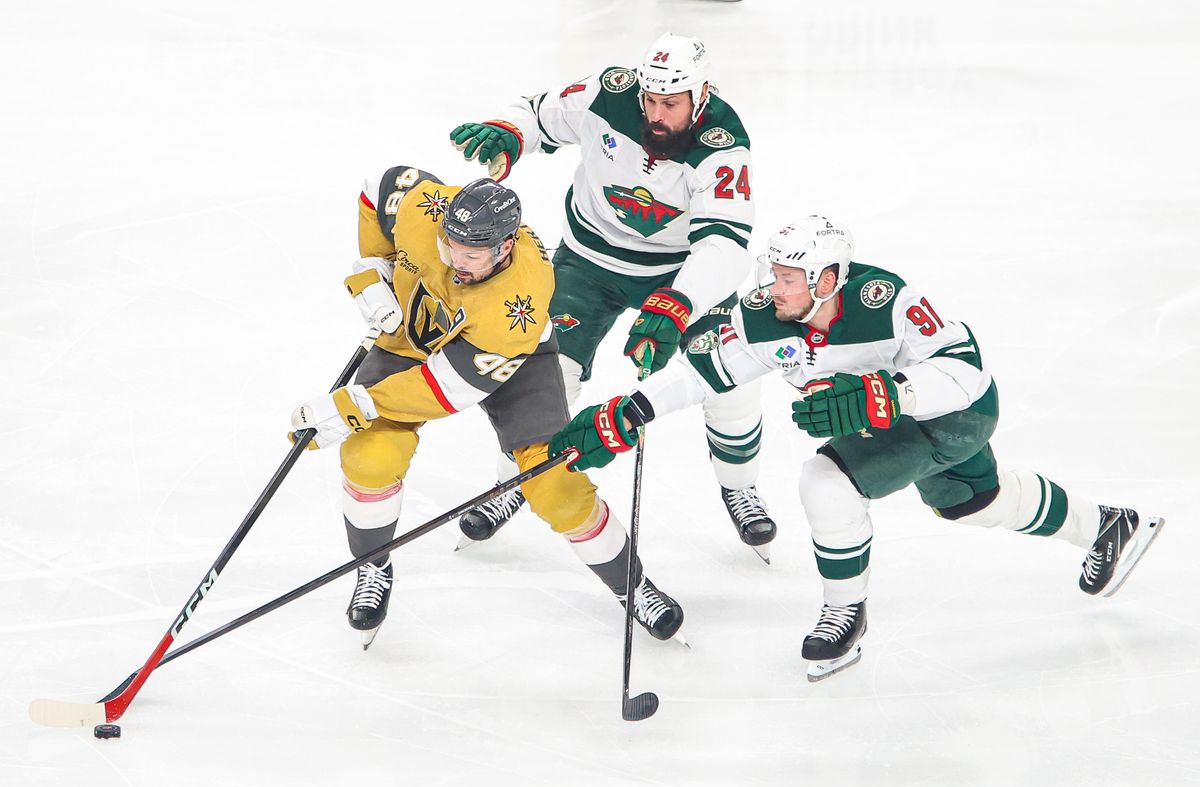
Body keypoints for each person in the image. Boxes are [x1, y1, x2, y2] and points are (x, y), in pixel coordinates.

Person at [548, 215, 1165, 681]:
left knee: (826, 482)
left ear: (828, 279)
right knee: (972, 502)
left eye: (790, 279)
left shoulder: (888, 300)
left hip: (952, 415)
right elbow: (709, 371)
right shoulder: (765, 315)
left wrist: (884, 395)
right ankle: (1109, 525)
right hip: (898, 423)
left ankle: (846, 615)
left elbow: (965, 371)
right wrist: (629, 411)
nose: (774, 287)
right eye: (775, 274)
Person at [289, 166, 685, 649]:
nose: (457, 260)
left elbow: (449, 388)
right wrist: (374, 271)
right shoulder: (426, 208)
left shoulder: (517, 298)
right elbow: (377, 189)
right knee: (369, 459)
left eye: (473, 254)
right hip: (413, 336)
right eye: (451, 245)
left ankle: (632, 585)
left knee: (555, 486)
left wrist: (358, 404)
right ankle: (373, 566)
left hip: (512, 362)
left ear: (505, 247)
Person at [447, 33, 777, 561]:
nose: (655, 115)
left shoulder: (722, 145)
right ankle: (516, 480)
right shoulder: (610, 93)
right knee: (548, 377)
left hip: (677, 274)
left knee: (730, 377)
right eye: (650, 101)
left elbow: (724, 245)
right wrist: (509, 132)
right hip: (588, 264)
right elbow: (539, 114)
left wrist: (678, 304)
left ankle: (739, 486)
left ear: (701, 95)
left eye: (670, 104)